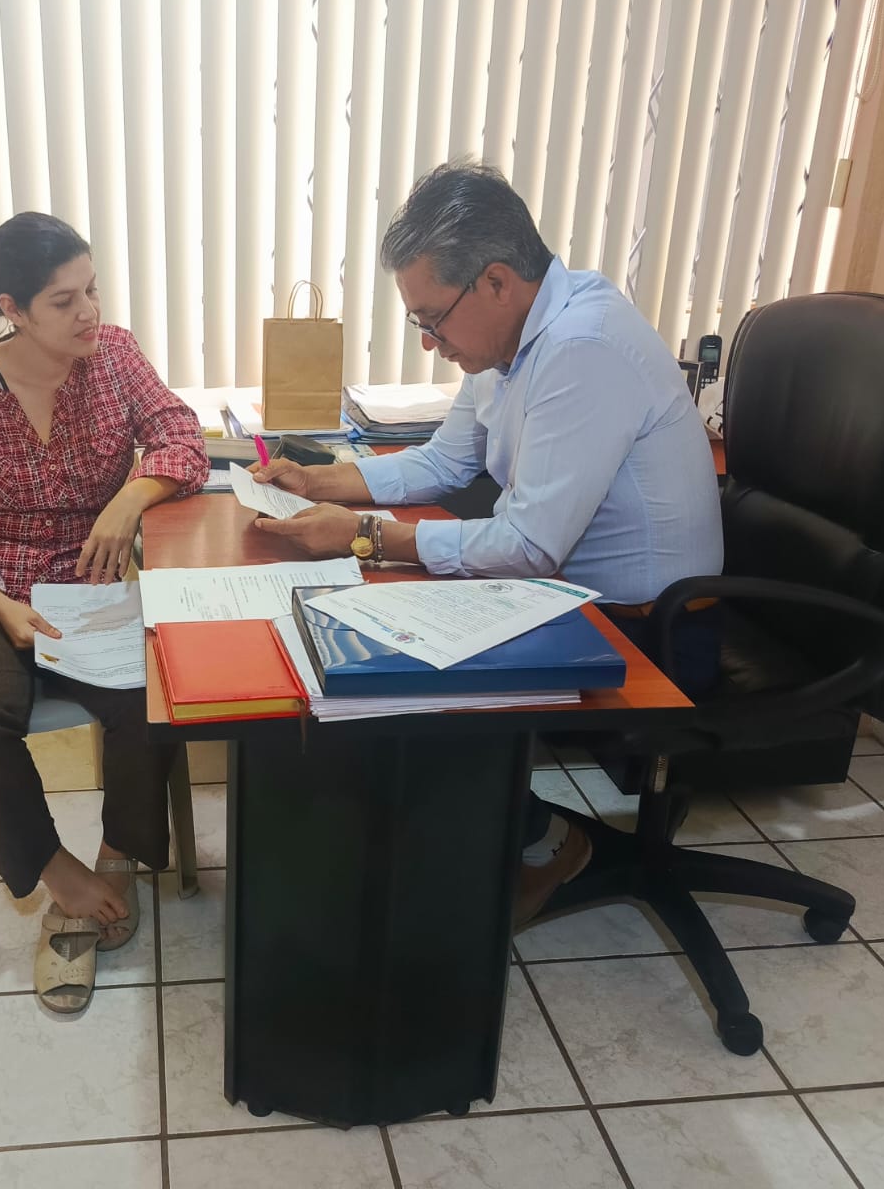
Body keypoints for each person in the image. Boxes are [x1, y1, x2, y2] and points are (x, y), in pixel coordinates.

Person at [250, 162, 723, 924]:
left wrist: (364, 537)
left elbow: (529, 546)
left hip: (645, 629)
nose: (429, 342)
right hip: (569, 595)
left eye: (432, 319)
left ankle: (548, 840)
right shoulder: (509, 340)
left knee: (394, 677)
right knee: (365, 638)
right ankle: (468, 835)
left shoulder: (582, 347)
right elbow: (445, 462)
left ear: (496, 281)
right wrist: (320, 482)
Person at [0, 212, 207, 1012]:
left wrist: (131, 498)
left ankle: (117, 858)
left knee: (157, 690)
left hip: (85, 581)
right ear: (13, 308)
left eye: (92, 290)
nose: (88, 313)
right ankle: (56, 873)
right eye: (64, 301)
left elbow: (181, 437)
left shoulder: (115, 358)